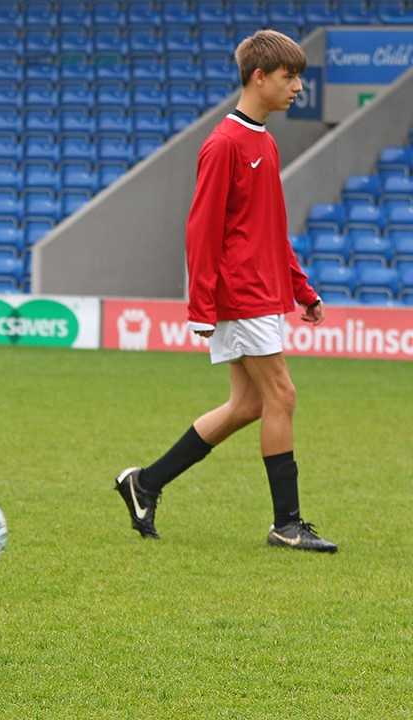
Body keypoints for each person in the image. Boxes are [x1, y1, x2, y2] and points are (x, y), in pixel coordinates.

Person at [114, 30, 336, 553]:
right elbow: (202, 229)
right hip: (241, 294)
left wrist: (302, 289)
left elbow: (270, 230)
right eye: (289, 76)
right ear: (259, 77)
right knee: (282, 395)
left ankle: (145, 483)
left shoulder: (264, 142)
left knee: (248, 404)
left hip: (264, 292)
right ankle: (286, 524)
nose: (298, 87)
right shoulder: (224, 144)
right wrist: (202, 306)